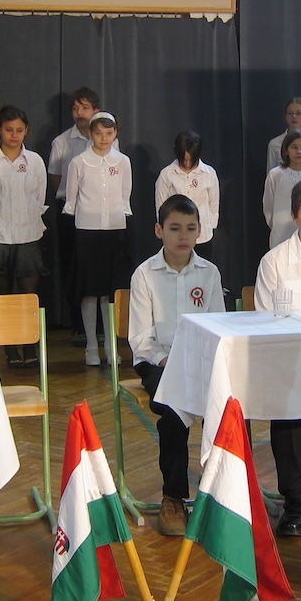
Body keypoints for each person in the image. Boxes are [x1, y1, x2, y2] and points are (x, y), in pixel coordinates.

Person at [129, 194, 224, 537]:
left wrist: (200, 360)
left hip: (200, 360)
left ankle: (222, 495)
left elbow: (218, 326)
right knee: (171, 406)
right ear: (159, 230)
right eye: (174, 228)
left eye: (190, 228)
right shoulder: (145, 274)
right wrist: (170, 360)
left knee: (229, 402)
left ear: (199, 231)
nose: (183, 236)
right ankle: (173, 497)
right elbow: (141, 338)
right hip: (159, 361)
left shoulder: (209, 273)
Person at [254, 176, 301, 537]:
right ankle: (298, 499)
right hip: (290, 360)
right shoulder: (275, 262)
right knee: (286, 406)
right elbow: (265, 322)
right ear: (295, 216)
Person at [0, 105, 48, 366]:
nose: (14, 135)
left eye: (19, 130)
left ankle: (29, 345)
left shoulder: (35, 161)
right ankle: (9, 348)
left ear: (26, 131)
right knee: (3, 296)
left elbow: (39, 197)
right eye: (8, 130)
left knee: (28, 296)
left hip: (29, 234)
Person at [63, 111, 132, 366]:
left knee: (110, 293)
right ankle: (91, 346)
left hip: (115, 231)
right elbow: (71, 199)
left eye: (109, 133)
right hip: (87, 232)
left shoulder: (122, 161)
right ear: (91, 134)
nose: (104, 138)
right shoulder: (78, 162)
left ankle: (110, 345)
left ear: (116, 134)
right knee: (90, 291)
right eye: (99, 133)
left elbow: (125, 196)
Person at [48, 87, 106, 331]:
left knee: (100, 268)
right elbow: (56, 179)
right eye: (75, 108)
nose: (79, 113)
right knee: (74, 268)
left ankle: (103, 325)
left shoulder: (108, 140)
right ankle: (78, 325)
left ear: (96, 110)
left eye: (84, 108)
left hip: (101, 212)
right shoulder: (61, 142)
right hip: (71, 212)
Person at [154, 130, 219, 259]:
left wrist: (209, 227)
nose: (187, 164)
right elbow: (160, 206)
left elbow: (214, 204)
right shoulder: (167, 174)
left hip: (203, 237)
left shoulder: (209, 173)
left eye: (191, 160)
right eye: (184, 160)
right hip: (176, 238)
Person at [263, 128, 301, 249]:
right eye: (294, 147)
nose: (299, 151)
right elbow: (268, 206)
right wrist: (276, 226)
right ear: (286, 150)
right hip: (280, 234)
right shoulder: (275, 175)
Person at [265, 96, 301, 172]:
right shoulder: (274, 144)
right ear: (285, 116)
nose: (294, 116)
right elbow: (270, 173)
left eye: (298, 113)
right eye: (290, 113)